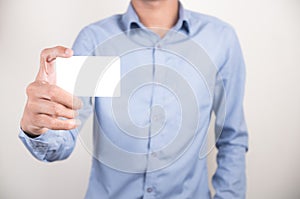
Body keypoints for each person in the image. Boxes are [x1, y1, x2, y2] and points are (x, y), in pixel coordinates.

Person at [19, 0, 248, 198]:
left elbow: (232, 137)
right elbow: (61, 140)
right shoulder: (98, 41)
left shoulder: (219, 39)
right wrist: (37, 127)